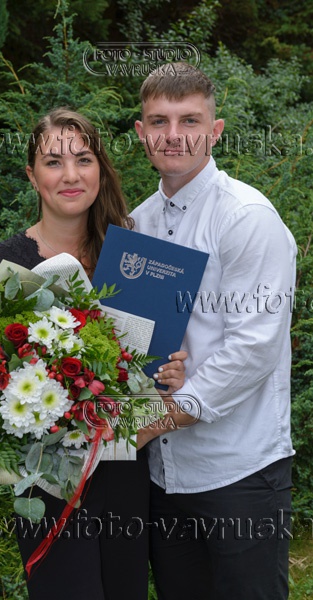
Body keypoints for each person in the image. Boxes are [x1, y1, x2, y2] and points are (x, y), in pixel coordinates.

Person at [0, 108, 187, 600]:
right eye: (53, 162)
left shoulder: (133, 260)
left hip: (125, 468)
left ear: (100, 169)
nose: (70, 175)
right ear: (31, 175)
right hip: (46, 483)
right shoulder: (1, 266)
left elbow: (154, 367)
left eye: (84, 159)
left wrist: (171, 372)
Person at [132, 62, 297, 599]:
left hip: (239, 472)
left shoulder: (246, 217)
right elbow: (131, 342)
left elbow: (254, 348)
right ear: (141, 132)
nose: (173, 135)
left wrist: (150, 423)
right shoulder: (137, 224)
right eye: (159, 121)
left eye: (190, 120)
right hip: (164, 475)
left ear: (215, 130)